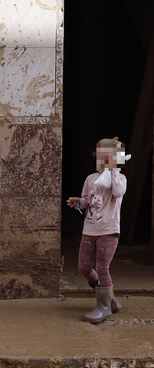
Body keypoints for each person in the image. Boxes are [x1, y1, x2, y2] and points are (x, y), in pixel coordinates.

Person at [66, 137, 130, 324]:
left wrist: (114, 171)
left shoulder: (119, 179)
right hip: (90, 229)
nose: (102, 162)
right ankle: (109, 299)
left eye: (107, 158)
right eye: (100, 157)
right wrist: (79, 202)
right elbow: (88, 200)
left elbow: (118, 192)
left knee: (102, 267)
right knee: (83, 267)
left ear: (117, 160)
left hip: (108, 230)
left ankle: (103, 307)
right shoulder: (91, 178)